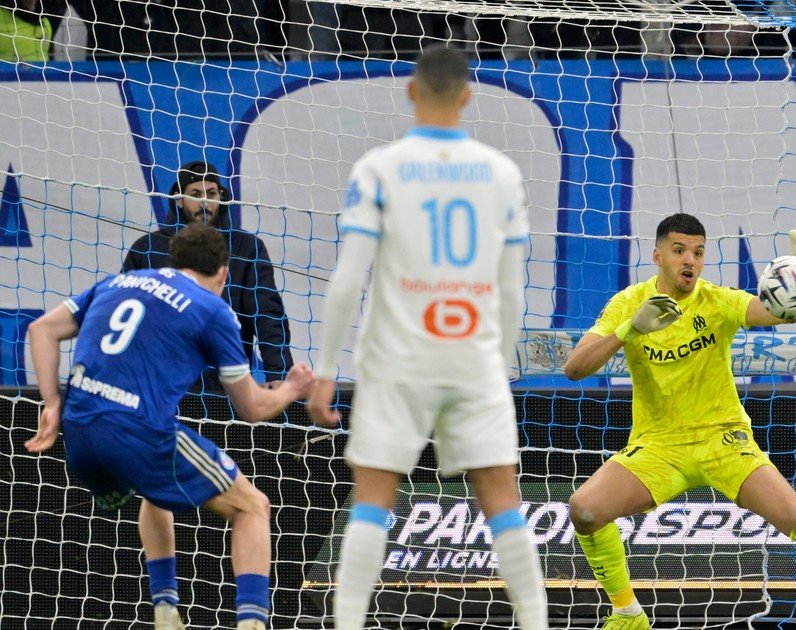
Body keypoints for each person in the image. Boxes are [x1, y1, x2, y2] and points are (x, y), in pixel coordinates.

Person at [562, 212, 796, 630]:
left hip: (724, 441)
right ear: (657, 255)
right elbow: (575, 369)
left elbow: (778, 312)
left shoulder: (717, 301)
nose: (689, 260)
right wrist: (628, 330)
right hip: (659, 447)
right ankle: (627, 614)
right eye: (678, 251)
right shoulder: (628, 304)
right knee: (584, 510)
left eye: (698, 252)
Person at [306, 47, 548, 630]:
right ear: (467, 96)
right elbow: (513, 289)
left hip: (397, 359)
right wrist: (497, 363)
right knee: (503, 503)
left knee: (371, 499)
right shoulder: (502, 172)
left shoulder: (380, 168)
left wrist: (323, 371)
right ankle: (536, 623)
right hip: (473, 357)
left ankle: (347, 625)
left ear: (411, 91)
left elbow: (346, 282)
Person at [24, 223, 317, 630]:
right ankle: (253, 623)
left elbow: (41, 329)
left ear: (173, 261)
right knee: (253, 506)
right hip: (135, 430)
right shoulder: (213, 309)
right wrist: (292, 388)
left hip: (80, 433)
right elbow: (252, 407)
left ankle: (165, 612)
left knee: (153, 490)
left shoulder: (119, 281)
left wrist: (52, 404)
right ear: (224, 273)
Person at [123, 161, 294, 389]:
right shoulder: (146, 249)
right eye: (195, 193)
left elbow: (267, 315)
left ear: (221, 197)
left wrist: (278, 372)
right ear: (179, 199)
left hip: (226, 386)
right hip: (161, 386)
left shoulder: (247, 248)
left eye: (211, 193)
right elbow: (127, 313)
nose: (204, 201)